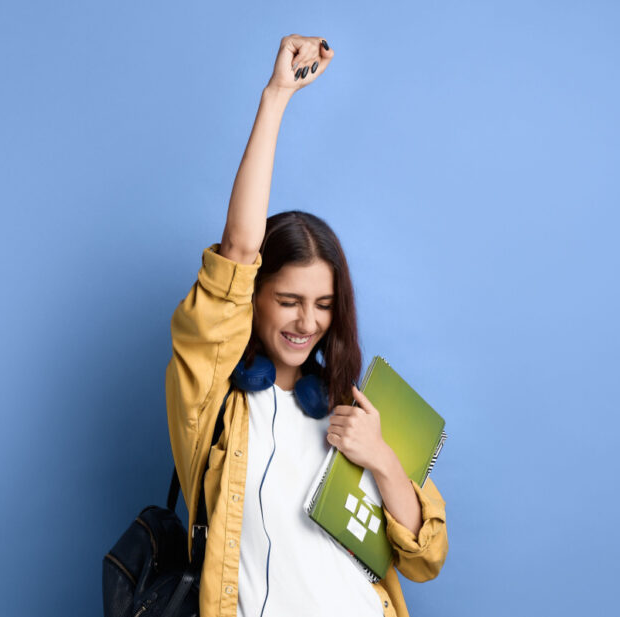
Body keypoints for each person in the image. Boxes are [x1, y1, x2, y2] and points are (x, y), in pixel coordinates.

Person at [165, 34, 448, 617]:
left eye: (323, 305)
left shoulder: (355, 408)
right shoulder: (213, 403)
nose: (307, 321)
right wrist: (275, 98)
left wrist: (381, 458)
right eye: (289, 300)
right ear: (254, 297)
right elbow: (239, 251)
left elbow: (425, 559)